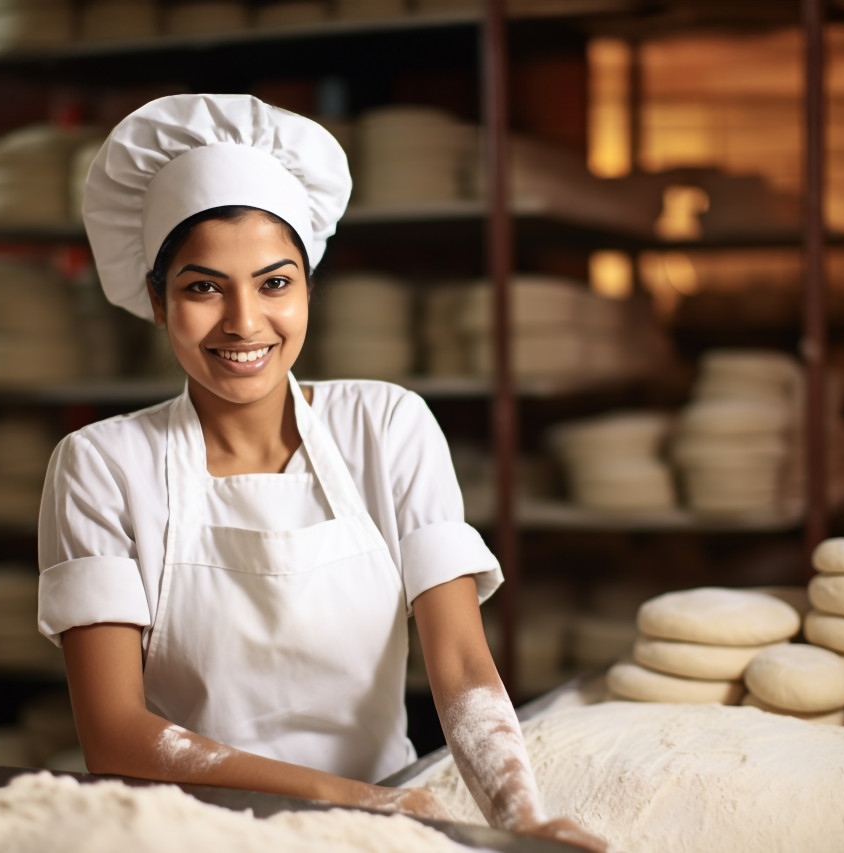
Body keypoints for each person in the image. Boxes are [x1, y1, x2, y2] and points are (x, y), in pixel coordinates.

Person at [37, 93, 604, 850]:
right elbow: (116, 735)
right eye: (203, 287)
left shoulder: (385, 427)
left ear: (309, 287)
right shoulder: (102, 465)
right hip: (192, 834)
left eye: (275, 283)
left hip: (390, 828)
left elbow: (462, 661)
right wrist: (358, 800)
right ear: (154, 299)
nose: (244, 323)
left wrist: (520, 817)